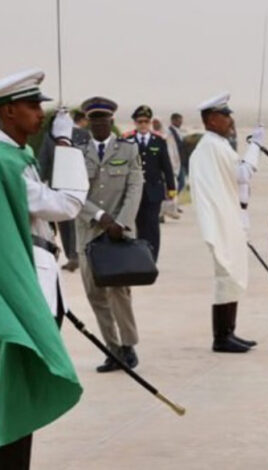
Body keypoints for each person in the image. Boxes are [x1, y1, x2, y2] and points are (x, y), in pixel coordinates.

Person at [0, 69, 83, 470]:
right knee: (15, 389)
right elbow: (66, 204)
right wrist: (65, 144)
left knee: (21, 389)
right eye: (32, 106)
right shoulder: (6, 162)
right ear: (8, 111)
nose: (40, 114)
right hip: (21, 292)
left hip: (36, 282)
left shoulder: (18, 156)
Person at [189, 93, 264, 353]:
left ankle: (229, 331)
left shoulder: (218, 144)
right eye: (225, 115)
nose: (230, 120)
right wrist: (255, 147)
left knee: (232, 276)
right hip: (221, 221)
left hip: (228, 218)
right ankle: (221, 337)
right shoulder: (212, 146)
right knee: (226, 276)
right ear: (211, 119)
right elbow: (242, 174)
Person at [76, 96, 144, 373]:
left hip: (119, 234)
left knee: (119, 292)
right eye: (94, 119)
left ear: (111, 121)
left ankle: (128, 346)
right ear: (88, 122)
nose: (99, 124)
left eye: (103, 119)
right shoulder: (78, 153)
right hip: (89, 233)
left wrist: (121, 222)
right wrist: (100, 217)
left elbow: (135, 187)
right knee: (95, 294)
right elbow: (73, 192)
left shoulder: (128, 149)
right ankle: (112, 350)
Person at [37, 108, 91, 273]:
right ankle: (71, 256)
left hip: (77, 186)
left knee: (76, 223)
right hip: (58, 186)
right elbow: (44, 160)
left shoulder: (84, 135)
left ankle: (79, 255)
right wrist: (39, 180)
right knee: (64, 224)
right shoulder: (50, 137)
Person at [126, 105, 176, 261]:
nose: (143, 125)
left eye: (146, 122)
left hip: (154, 190)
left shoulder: (159, 141)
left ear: (150, 123)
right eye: (140, 121)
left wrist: (171, 188)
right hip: (134, 191)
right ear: (135, 123)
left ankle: (153, 257)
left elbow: (166, 166)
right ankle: (141, 257)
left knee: (152, 224)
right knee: (138, 224)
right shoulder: (128, 140)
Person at [154, 117, 181, 221]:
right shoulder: (152, 136)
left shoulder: (167, 136)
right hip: (158, 169)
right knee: (160, 192)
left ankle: (170, 211)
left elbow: (173, 152)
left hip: (170, 168)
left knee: (171, 191)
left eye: (157, 123)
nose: (155, 125)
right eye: (154, 123)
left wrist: (175, 166)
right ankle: (160, 214)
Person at [169, 113, 188, 195]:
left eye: (181, 121)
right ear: (173, 120)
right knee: (176, 184)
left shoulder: (179, 132)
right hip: (175, 162)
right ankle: (174, 198)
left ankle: (177, 198)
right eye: (178, 121)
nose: (180, 122)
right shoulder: (170, 132)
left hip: (181, 162)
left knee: (182, 184)